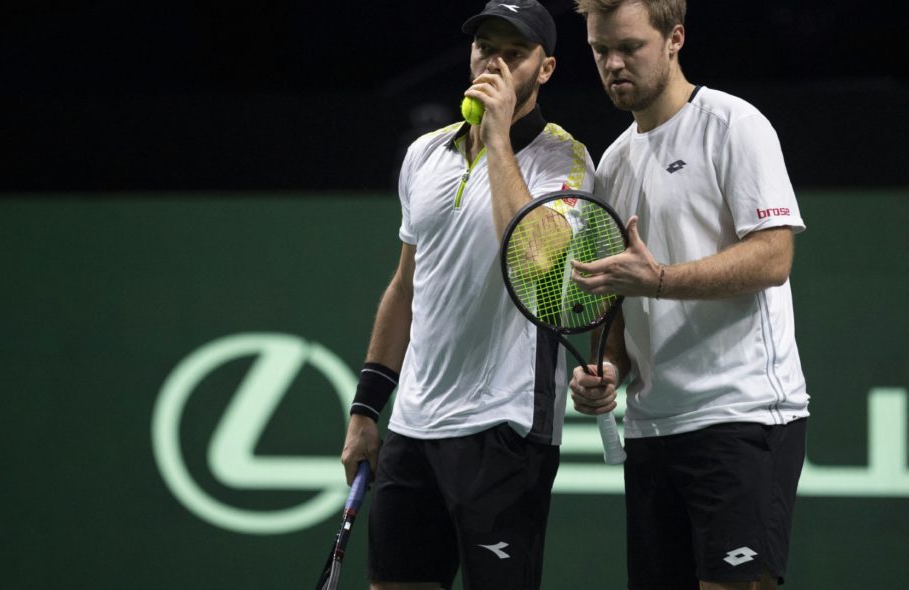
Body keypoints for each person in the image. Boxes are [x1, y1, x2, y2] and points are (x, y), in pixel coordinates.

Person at [338, 1, 595, 588]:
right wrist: (366, 410)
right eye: (486, 47)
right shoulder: (424, 155)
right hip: (414, 427)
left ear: (546, 69)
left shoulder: (568, 163)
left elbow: (533, 257)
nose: (495, 62)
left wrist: (499, 136)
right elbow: (406, 287)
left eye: (515, 52)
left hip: (503, 430)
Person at [566, 1, 810, 589]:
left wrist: (660, 280)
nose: (613, 64)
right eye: (601, 51)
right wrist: (609, 366)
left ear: (675, 38)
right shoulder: (614, 162)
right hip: (652, 430)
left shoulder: (734, 124)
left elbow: (774, 257)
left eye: (629, 47)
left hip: (741, 415)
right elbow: (624, 301)